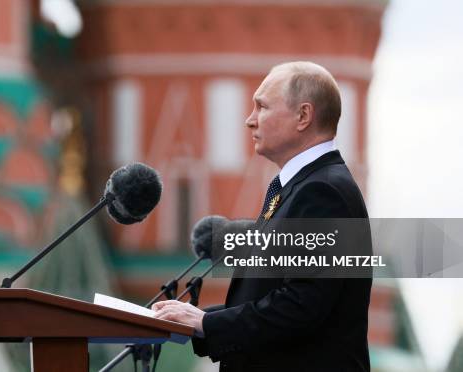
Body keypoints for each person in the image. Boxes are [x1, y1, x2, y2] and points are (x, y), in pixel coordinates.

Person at [152, 61, 371, 371]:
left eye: (262, 107)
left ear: (303, 116)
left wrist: (206, 323)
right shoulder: (300, 186)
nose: (249, 120)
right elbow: (274, 297)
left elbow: (299, 306)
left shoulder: (323, 193)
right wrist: (199, 321)